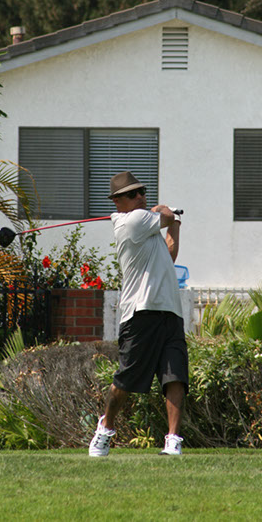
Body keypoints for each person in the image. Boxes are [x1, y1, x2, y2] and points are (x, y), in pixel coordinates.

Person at [89, 171, 188, 457]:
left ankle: (172, 440)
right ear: (119, 201)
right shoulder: (131, 221)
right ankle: (105, 429)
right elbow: (164, 214)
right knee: (126, 380)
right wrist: (165, 212)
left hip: (170, 311)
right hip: (139, 312)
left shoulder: (146, 227)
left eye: (142, 191)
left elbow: (169, 256)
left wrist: (176, 225)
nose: (141, 197)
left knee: (175, 376)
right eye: (134, 194)